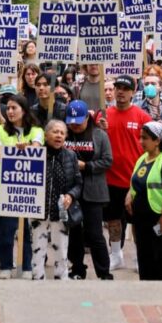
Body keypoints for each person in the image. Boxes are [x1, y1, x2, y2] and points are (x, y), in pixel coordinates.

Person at [100, 75, 152, 271]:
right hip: (111, 178)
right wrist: (100, 128)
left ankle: (140, 257)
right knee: (113, 219)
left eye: (125, 88)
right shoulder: (104, 115)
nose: (120, 91)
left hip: (136, 180)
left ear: (133, 92)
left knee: (137, 221)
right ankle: (116, 255)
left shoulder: (142, 117)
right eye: (117, 87)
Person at [0, 94, 43, 279]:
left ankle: (26, 266)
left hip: (28, 186)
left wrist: (26, 148)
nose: (10, 111)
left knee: (25, 228)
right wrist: (19, 150)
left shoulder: (36, 130)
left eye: (14, 108)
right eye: (8, 108)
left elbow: (36, 149)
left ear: (24, 110)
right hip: (3, 185)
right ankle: (5, 264)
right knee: (6, 227)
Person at [125, 122, 162, 280]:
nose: (141, 142)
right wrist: (130, 194)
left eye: (145, 138)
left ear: (157, 140)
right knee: (147, 259)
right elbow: (136, 181)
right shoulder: (143, 158)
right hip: (144, 220)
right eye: (140, 138)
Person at [64, 101, 113, 280]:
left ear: (87, 118)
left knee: (95, 234)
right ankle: (77, 268)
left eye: (79, 121)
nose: (75, 125)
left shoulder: (99, 135)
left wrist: (87, 166)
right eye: (72, 121)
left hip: (93, 191)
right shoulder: (65, 134)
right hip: (70, 191)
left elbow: (108, 161)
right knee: (74, 233)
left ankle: (104, 272)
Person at [30, 120, 82, 280]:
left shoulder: (71, 156)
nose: (59, 135)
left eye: (62, 133)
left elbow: (78, 183)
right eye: (55, 132)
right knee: (38, 250)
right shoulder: (35, 154)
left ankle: (62, 281)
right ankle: (37, 280)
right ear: (46, 135)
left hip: (61, 212)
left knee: (61, 251)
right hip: (38, 211)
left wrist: (70, 196)